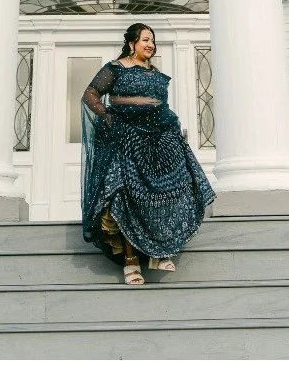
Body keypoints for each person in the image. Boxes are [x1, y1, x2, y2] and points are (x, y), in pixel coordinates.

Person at [80, 22, 215, 285]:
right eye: (145, 40)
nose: (150, 44)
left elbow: (161, 106)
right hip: (127, 140)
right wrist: (106, 116)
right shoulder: (115, 69)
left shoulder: (156, 74)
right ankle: (131, 261)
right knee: (127, 196)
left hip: (161, 140)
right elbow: (90, 94)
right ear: (131, 43)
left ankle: (159, 252)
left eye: (152, 40)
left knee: (170, 191)